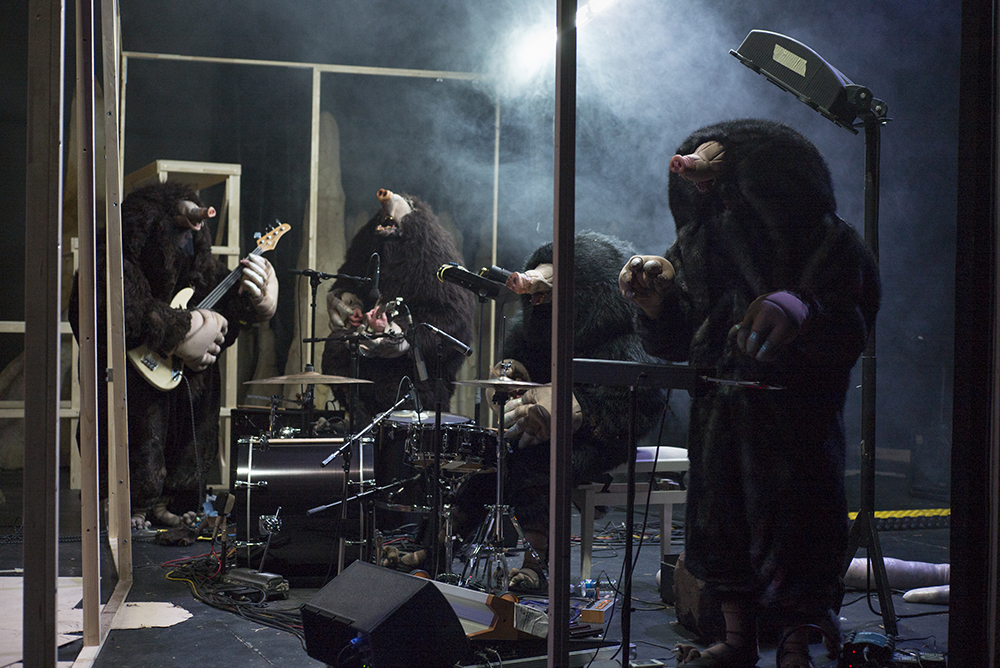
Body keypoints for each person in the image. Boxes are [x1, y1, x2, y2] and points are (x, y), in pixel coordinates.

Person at [619, 119, 880, 668]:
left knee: (799, 524)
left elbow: (852, 315)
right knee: (722, 526)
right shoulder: (695, 242)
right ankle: (737, 639)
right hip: (721, 405)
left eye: (714, 161)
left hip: (792, 408)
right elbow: (682, 332)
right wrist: (656, 304)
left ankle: (796, 640)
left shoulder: (825, 236)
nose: (694, 168)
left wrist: (800, 305)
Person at [452, 230, 668, 592]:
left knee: (540, 465)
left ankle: (536, 564)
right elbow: (517, 370)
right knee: (485, 464)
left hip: (598, 438)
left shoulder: (626, 336)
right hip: (540, 431)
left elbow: (640, 407)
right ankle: (438, 546)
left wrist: (580, 410)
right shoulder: (531, 330)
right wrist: (511, 376)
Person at [69, 181, 278, 531]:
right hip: (131, 371)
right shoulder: (113, 256)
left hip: (182, 381)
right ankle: (127, 500)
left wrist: (257, 301)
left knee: (189, 428)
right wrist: (179, 329)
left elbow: (227, 309)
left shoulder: (202, 265)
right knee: (134, 427)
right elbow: (108, 308)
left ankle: (172, 499)